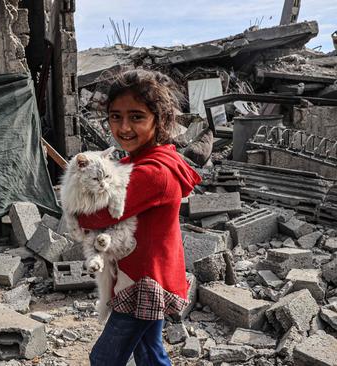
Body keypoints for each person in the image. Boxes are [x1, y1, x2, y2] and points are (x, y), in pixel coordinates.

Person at [78, 69, 201, 366]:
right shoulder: (144, 160)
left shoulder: (152, 172)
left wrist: (79, 202)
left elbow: (93, 217)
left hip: (143, 283)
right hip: (150, 273)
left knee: (104, 358)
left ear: (158, 120)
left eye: (136, 117)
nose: (124, 127)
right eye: (115, 117)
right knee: (149, 352)